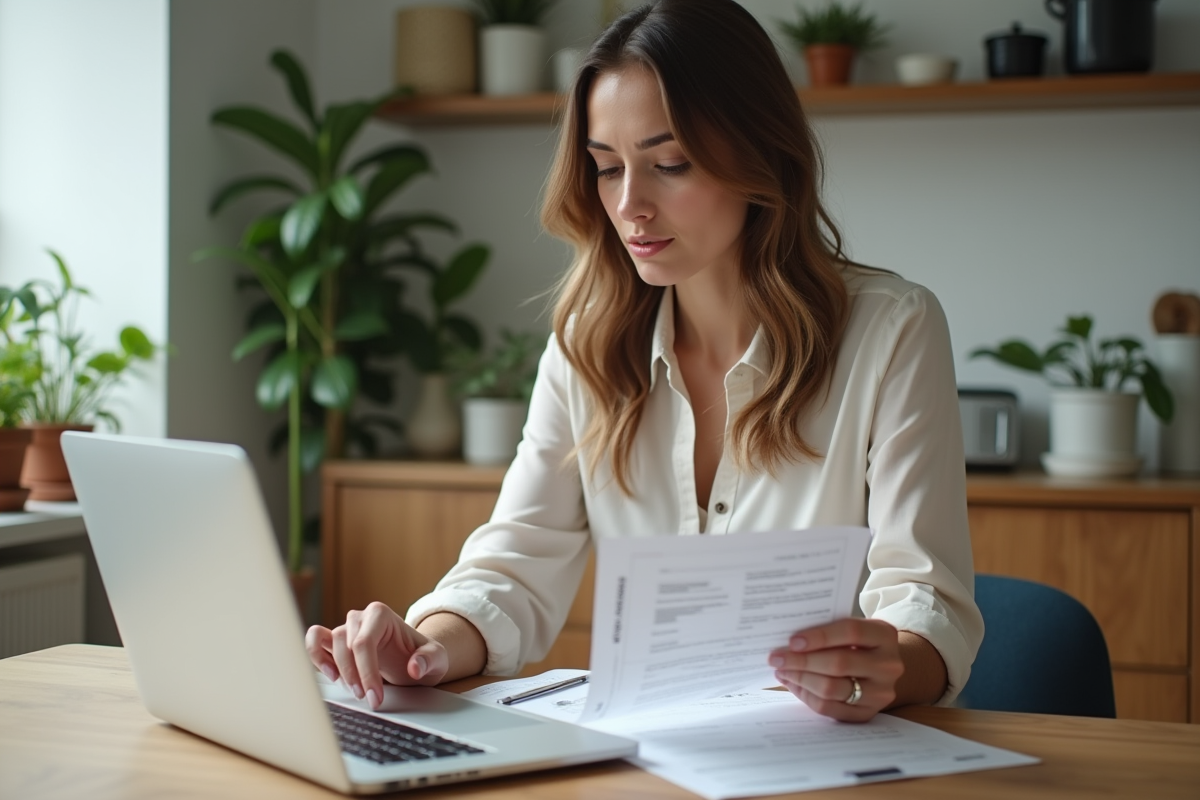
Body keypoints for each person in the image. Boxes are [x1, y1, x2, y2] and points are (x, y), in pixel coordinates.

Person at [307, 0, 983, 723]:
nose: (630, 204)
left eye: (669, 163)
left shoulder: (890, 330)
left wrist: (887, 666)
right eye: (605, 169)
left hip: (828, 754)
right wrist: (424, 649)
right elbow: (511, 570)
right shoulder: (587, 344)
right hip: (646, 761)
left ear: (760, 153)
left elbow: (925, 600)